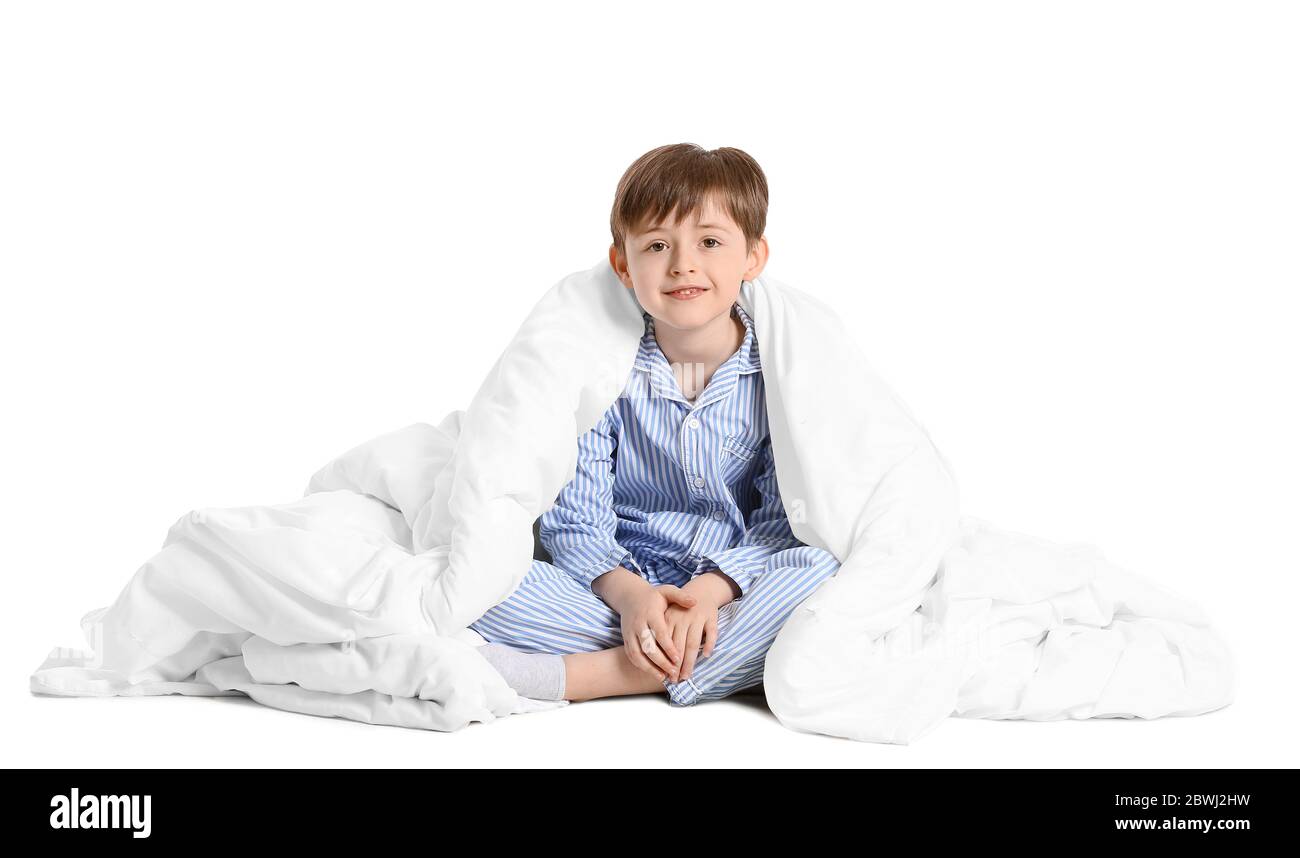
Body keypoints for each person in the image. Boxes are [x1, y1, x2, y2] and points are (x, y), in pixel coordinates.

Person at [468, 143, 841, 706]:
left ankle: (590, 677)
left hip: (731, 586)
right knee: (489, 580)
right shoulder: (600, 370)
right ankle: (713, 659)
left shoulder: (780, 372)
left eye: (710, 242)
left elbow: (783, 519)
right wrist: (634, 598)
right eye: (657, 245)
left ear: (753, 257)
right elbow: (575, 521)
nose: (683, 264)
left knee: (821, 572)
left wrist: (710, 594)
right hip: (615, 584)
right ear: (623, 264)